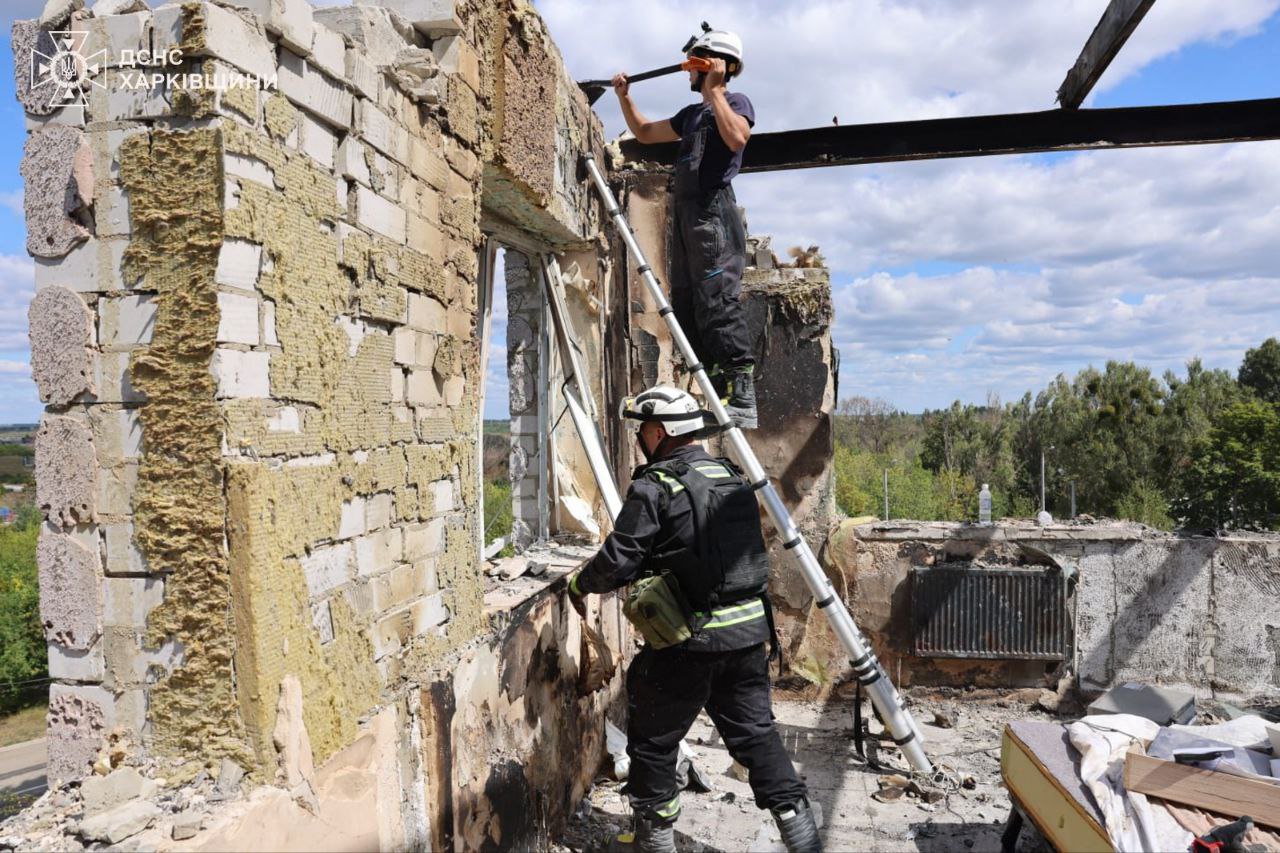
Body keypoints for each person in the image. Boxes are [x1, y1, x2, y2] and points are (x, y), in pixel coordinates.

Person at [569, 386, 821, 852]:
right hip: (747, 635)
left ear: (660, 432)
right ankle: (803, 838)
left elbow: (621, 558)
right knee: (756, 736)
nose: (640, 437)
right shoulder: (731, 475)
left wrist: (580, 585)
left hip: (690, 641)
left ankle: (655, 841)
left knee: (654, 740)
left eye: (643, 428)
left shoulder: (656, 485)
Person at [611, 24, 759, 430]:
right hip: (688, 218)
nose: (689, 72)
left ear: (717, 65)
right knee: (688, 305)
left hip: (714, 214)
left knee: (717, 299)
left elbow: (737, 139)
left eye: (696, 63)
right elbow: (644, 132)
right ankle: (716, 389)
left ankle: (742, 395)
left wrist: (715, 91)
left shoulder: (735, 102)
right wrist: (625, 97)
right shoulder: (691, 115)